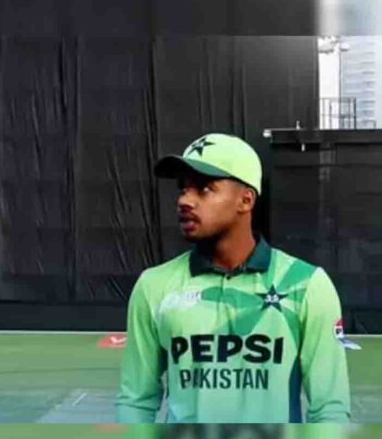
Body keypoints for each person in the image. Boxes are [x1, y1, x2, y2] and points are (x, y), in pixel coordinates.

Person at [116, 133, 351, 423]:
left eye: (204, 189)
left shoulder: (307, 285)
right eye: (183, 189)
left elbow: (330, 408)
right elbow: (136, 400)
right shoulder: (154, 286)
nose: (185, 201)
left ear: (245, 200)